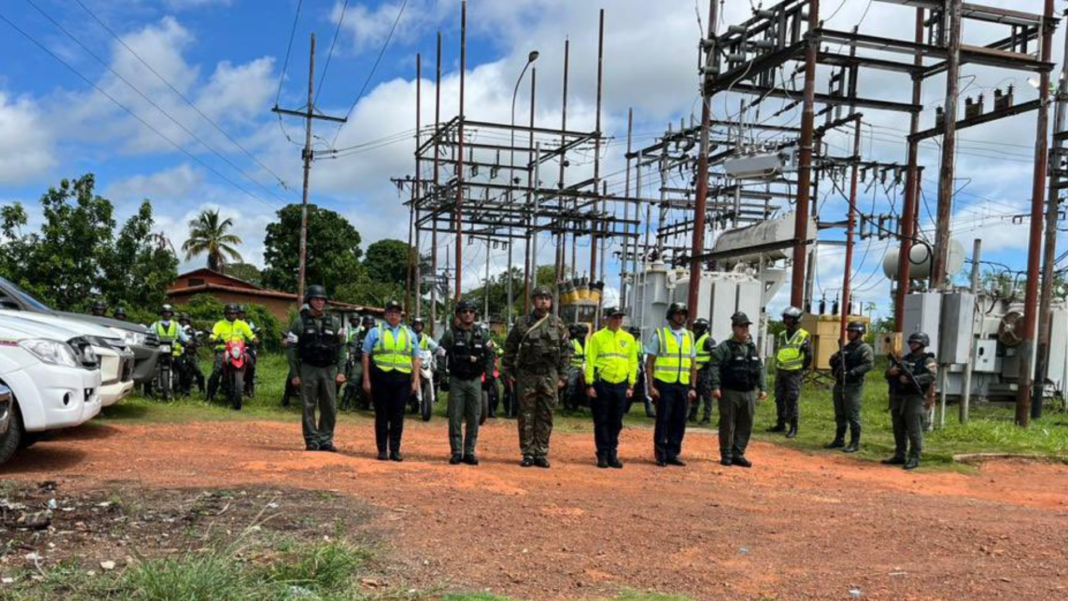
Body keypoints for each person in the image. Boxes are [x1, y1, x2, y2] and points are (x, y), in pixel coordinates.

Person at [502, 287, 570, 468]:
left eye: (547, 298)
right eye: (540, 298)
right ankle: (528, 452)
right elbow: (510, 347)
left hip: (549, 374)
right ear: (533, 301)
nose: (543, 302)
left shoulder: (558, 323)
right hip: (527, 374)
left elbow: (566, 351)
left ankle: (541, 452)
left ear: (551, 302)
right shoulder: (522, 323)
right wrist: (507, 371)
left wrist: (563, 375)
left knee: (546, 414)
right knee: (526, 415)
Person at [286, 286, 346, 452]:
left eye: (322, 299)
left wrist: (341, 371)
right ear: (309, 300)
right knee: (308, 405)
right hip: (308, 368)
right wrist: (295, 374)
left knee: (330, 406)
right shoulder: (299, 322)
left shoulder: (334, 322)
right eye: (316, 299)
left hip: (329, 369)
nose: (319, 302)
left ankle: (326, 439)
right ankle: (311, 440)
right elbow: (292, 349)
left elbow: (342, 347)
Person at [363, 300, 421, 461]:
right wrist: (366, 379)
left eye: (397, 313)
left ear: (401, 315)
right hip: (381, 377)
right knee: (381, 415)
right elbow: (365, 355)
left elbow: (416, 358)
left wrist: (415, 381)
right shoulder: (375, 332)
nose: (394, 315)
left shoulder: (409, 334)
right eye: (391, 312)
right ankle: (382, 450)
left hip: (402, 379)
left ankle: (395, 450)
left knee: (398, 416)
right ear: (385, 314)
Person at [437, 300, 493, 465]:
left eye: (470, 311)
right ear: (458, 314)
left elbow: (490, 354)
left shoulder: (483, 334)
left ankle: (469, 452)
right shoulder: (450, 334)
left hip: (475, 381)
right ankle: (456, 452)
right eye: (464, 311)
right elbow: (441, 353)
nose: (467, 314)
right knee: (454, 417)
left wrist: (488, 377)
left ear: (475, 314)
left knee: (474, 417)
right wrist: (442, 377)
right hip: (456, 380)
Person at [709, 312, 767, 468]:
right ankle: (726, 453)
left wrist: (763, 387)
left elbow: (759, 368)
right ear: (734, 328)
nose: (745, 329)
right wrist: (715, 386)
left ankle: (738, 453)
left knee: (746, 424)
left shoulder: (752, 347)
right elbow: (714, 366)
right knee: (727, 424)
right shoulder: (725, 347)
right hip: (729, 391)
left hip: (749, 392)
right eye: (741, 326)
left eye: (746, 326)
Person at [585, 307, 638, 469]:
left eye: (620, 318)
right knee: (601, 420)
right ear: (607, 319)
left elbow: (632, 362)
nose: (617, 321)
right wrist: (589, 384)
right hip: (602, 384)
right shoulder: (597, 337)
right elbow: (590, 360)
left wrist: (631, 384)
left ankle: (612, 453)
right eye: (614, 318)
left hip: (621, 385)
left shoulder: (628, 338)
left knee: (616, 421)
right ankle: (602, 453)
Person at [646, 302, 697, 467]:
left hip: (682, 384)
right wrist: (651, 386)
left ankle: (673, 453)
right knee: (663, 420)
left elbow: (693, 364)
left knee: (679, 420)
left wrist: (693, 387)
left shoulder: (689, 336)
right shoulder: (660, 335)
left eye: (683, 313)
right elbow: (650, 362)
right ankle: (660, 454)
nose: (681, 316)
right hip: (664, 384)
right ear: (670, 315)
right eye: (677, 313)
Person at [884, 332, 937, 470]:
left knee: (914, 429)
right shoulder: (904, 359)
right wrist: (891, 372)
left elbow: (931, 375)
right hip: (899, 396)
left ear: (923, 344)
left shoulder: (928, 360)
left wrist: (913, 379)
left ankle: (914, 457)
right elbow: (888, 374)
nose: (912, 344)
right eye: (911, 342)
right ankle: (900, 455)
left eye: (915, 342)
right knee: (898, 427)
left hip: (915, 397)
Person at [827, 322, 875, 453]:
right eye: (849, 331)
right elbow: (834, 362)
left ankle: (854, 442)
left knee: (852, 414)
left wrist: (853, 372)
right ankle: (839, 439)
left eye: (852, 331)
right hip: (840, 383)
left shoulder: (864, 348)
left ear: (859, 333)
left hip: (853, 385)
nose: (849, 333)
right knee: (840, 413)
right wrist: (834, 360)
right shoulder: (846, 347)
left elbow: (868, 364)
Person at [770, 306, 811, 438]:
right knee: (779, 398)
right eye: (785, 318)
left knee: (792, 399)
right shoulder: (782, 335)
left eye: (789, 318)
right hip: (781, 371)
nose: (786, 321)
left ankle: (793, 427)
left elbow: (808, 356)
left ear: (796, 320)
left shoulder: (803, 335)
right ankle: (780, 424)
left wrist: (801, 370)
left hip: (794, 373)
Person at [207, 304, 257, 402]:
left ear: (237, 314)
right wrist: (212, 339)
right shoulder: (219, 324)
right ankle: (209, 395)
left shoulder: (242, 324)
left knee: (251, 364)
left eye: (234, 313)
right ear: (225, 314)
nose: (231, 315)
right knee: (216, 371)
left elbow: (250, 335)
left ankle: (249, 385)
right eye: (229, 313)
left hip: (239, 350)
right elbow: (213, 334)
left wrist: (254, 339)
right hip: (223, 350)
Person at [148, 304, 190, 395]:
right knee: (149, 368)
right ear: (161, 313)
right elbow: (149, 334)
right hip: (158, 351)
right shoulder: (155, 325)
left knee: (183, 369)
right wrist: (148, 339)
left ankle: (184, 391)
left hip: (174, 352)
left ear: (171, 314)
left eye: (168, 313)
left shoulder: (176, 325)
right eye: (165, 312)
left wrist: (189, 342)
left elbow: (183, 336)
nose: (167, 314)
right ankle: (147, 392)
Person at [689, 318, 716, 425]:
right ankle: (692, 415)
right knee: (695, 393)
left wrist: (709, 365)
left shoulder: (708, 340)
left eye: (697, 328)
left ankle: (706, 417)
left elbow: (715, 355)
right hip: (696, 371)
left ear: (703, 329)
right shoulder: (695, 339)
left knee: (707, 396)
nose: (695, 330)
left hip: (706, 371)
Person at [629, 326, 656, 418]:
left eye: (637, 334)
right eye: (633, 334)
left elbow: (646, 356)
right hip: (629, 368)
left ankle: (648, 410)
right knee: (629, 388)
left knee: (645, 389)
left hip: (640, 369)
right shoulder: (626, 344)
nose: (635, 336)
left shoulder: (640, 345)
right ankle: (624, 408)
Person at [177, 312, 205, 395]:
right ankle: (182, 390)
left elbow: (198, 338)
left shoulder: (192, 330)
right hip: (179, 353)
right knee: (181, 371)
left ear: (188, 321)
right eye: (182, 320)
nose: (183, 322)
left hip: (191, 353)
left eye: (185, 320)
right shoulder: (177, 330)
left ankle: (202, 389)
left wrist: (198, 342)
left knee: (198, 371)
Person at [236, 305, 261, 397]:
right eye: (239, 313)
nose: (240, 314)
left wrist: (254, 339)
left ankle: (249, 385)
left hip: (247, 346)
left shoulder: (248, 322)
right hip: (234, 346)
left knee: (251, 362)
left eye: (242, 313)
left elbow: (253, 332)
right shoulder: (232, 323)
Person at [564, 324, 587, 412]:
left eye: (585, 333)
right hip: (573, 367)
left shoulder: (588, 342)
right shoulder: (572, 343)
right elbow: (567, 357)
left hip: (585, 367)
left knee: (583, 387)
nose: (583, 335)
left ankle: (578, 405)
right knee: (571, 386)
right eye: (582, 333)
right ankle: (568, 407)